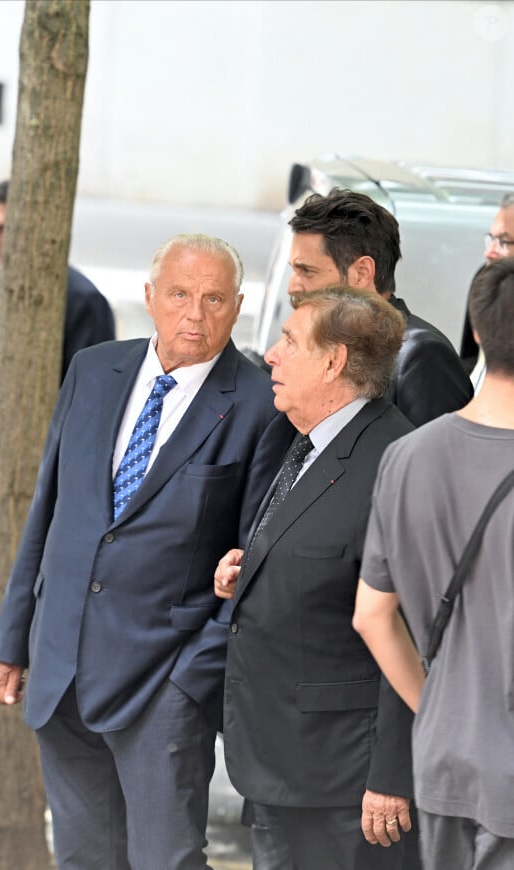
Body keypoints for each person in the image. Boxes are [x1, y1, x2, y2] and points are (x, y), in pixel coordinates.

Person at [0, 233, 294, 870]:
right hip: (62, 665)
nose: (195, 313)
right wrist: (13, 640)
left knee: (165, 860)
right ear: (150, 297)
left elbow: (256, 563)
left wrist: (191, 681)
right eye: (180, 294)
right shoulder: (93, 370)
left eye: (214, 298)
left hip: (164, 684)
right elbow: (48, 511)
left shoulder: (262, 406)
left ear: (237, 308)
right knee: (83, 858)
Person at [215, 286, 420, 870]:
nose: (271, 356)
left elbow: (413, 633)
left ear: (333, 361)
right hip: (282, 766)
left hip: (345, 787)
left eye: (288, 342)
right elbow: (322, 557)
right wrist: (251, 568)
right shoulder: (310, 438)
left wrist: (391, 776)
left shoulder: (393, 461)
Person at [0, 180, 116, 764]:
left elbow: (86, 408)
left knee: (31, 603)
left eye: (5, 229)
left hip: (42, 481)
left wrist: (6, 412)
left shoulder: (82, 301)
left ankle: (28, 724)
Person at [354, 257, 514, 870]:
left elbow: (371, 616)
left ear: (475, 329)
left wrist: (440, 711)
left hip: (443, 760)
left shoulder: (408, 456)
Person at [287, 189, 473, 427]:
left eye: (307, 271)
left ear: (362, 273)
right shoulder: (325, 343)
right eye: (293, 270)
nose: (293, 287)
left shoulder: (421, 357)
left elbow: (433, 460)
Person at [460, 192, 514, 388]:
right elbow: (471, 358)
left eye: (504, 242)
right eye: (492, 238)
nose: (489, 252)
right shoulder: (486, 277)